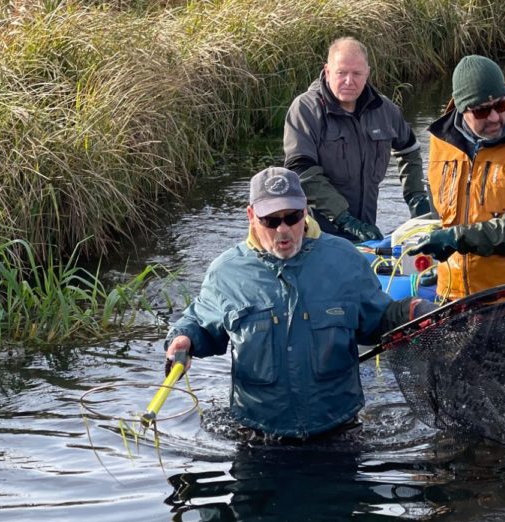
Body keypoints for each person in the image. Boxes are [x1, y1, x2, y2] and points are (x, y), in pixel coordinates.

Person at [164, 166, 434, 439]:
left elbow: (379, 319)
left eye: (292, 217)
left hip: (337, 430)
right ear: (251, 216)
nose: (283, 229)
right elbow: (199, 322)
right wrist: (183, 339)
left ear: (305, 211)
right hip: (258, 437)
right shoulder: (226, 272)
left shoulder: (344, 259)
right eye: (271, 220)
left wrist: (413, 309)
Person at [409, 55, 505, 299]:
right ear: (461, 110)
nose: (494, 117)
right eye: (482, 110)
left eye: (501, 105)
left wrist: (458, 238)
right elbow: (443, 215)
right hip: (452, 294)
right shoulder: (440, 141)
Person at [283, 37, 431, 243]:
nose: (349, 81)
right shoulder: (306, 109)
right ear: (327, 71)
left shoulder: (385, 109)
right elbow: (301, 171)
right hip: (316, 238)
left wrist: (416, 197)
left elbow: (410, 149)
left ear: (367, 73)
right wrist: (344, 219)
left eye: (356, 73)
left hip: (367, 234)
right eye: (341, 73)